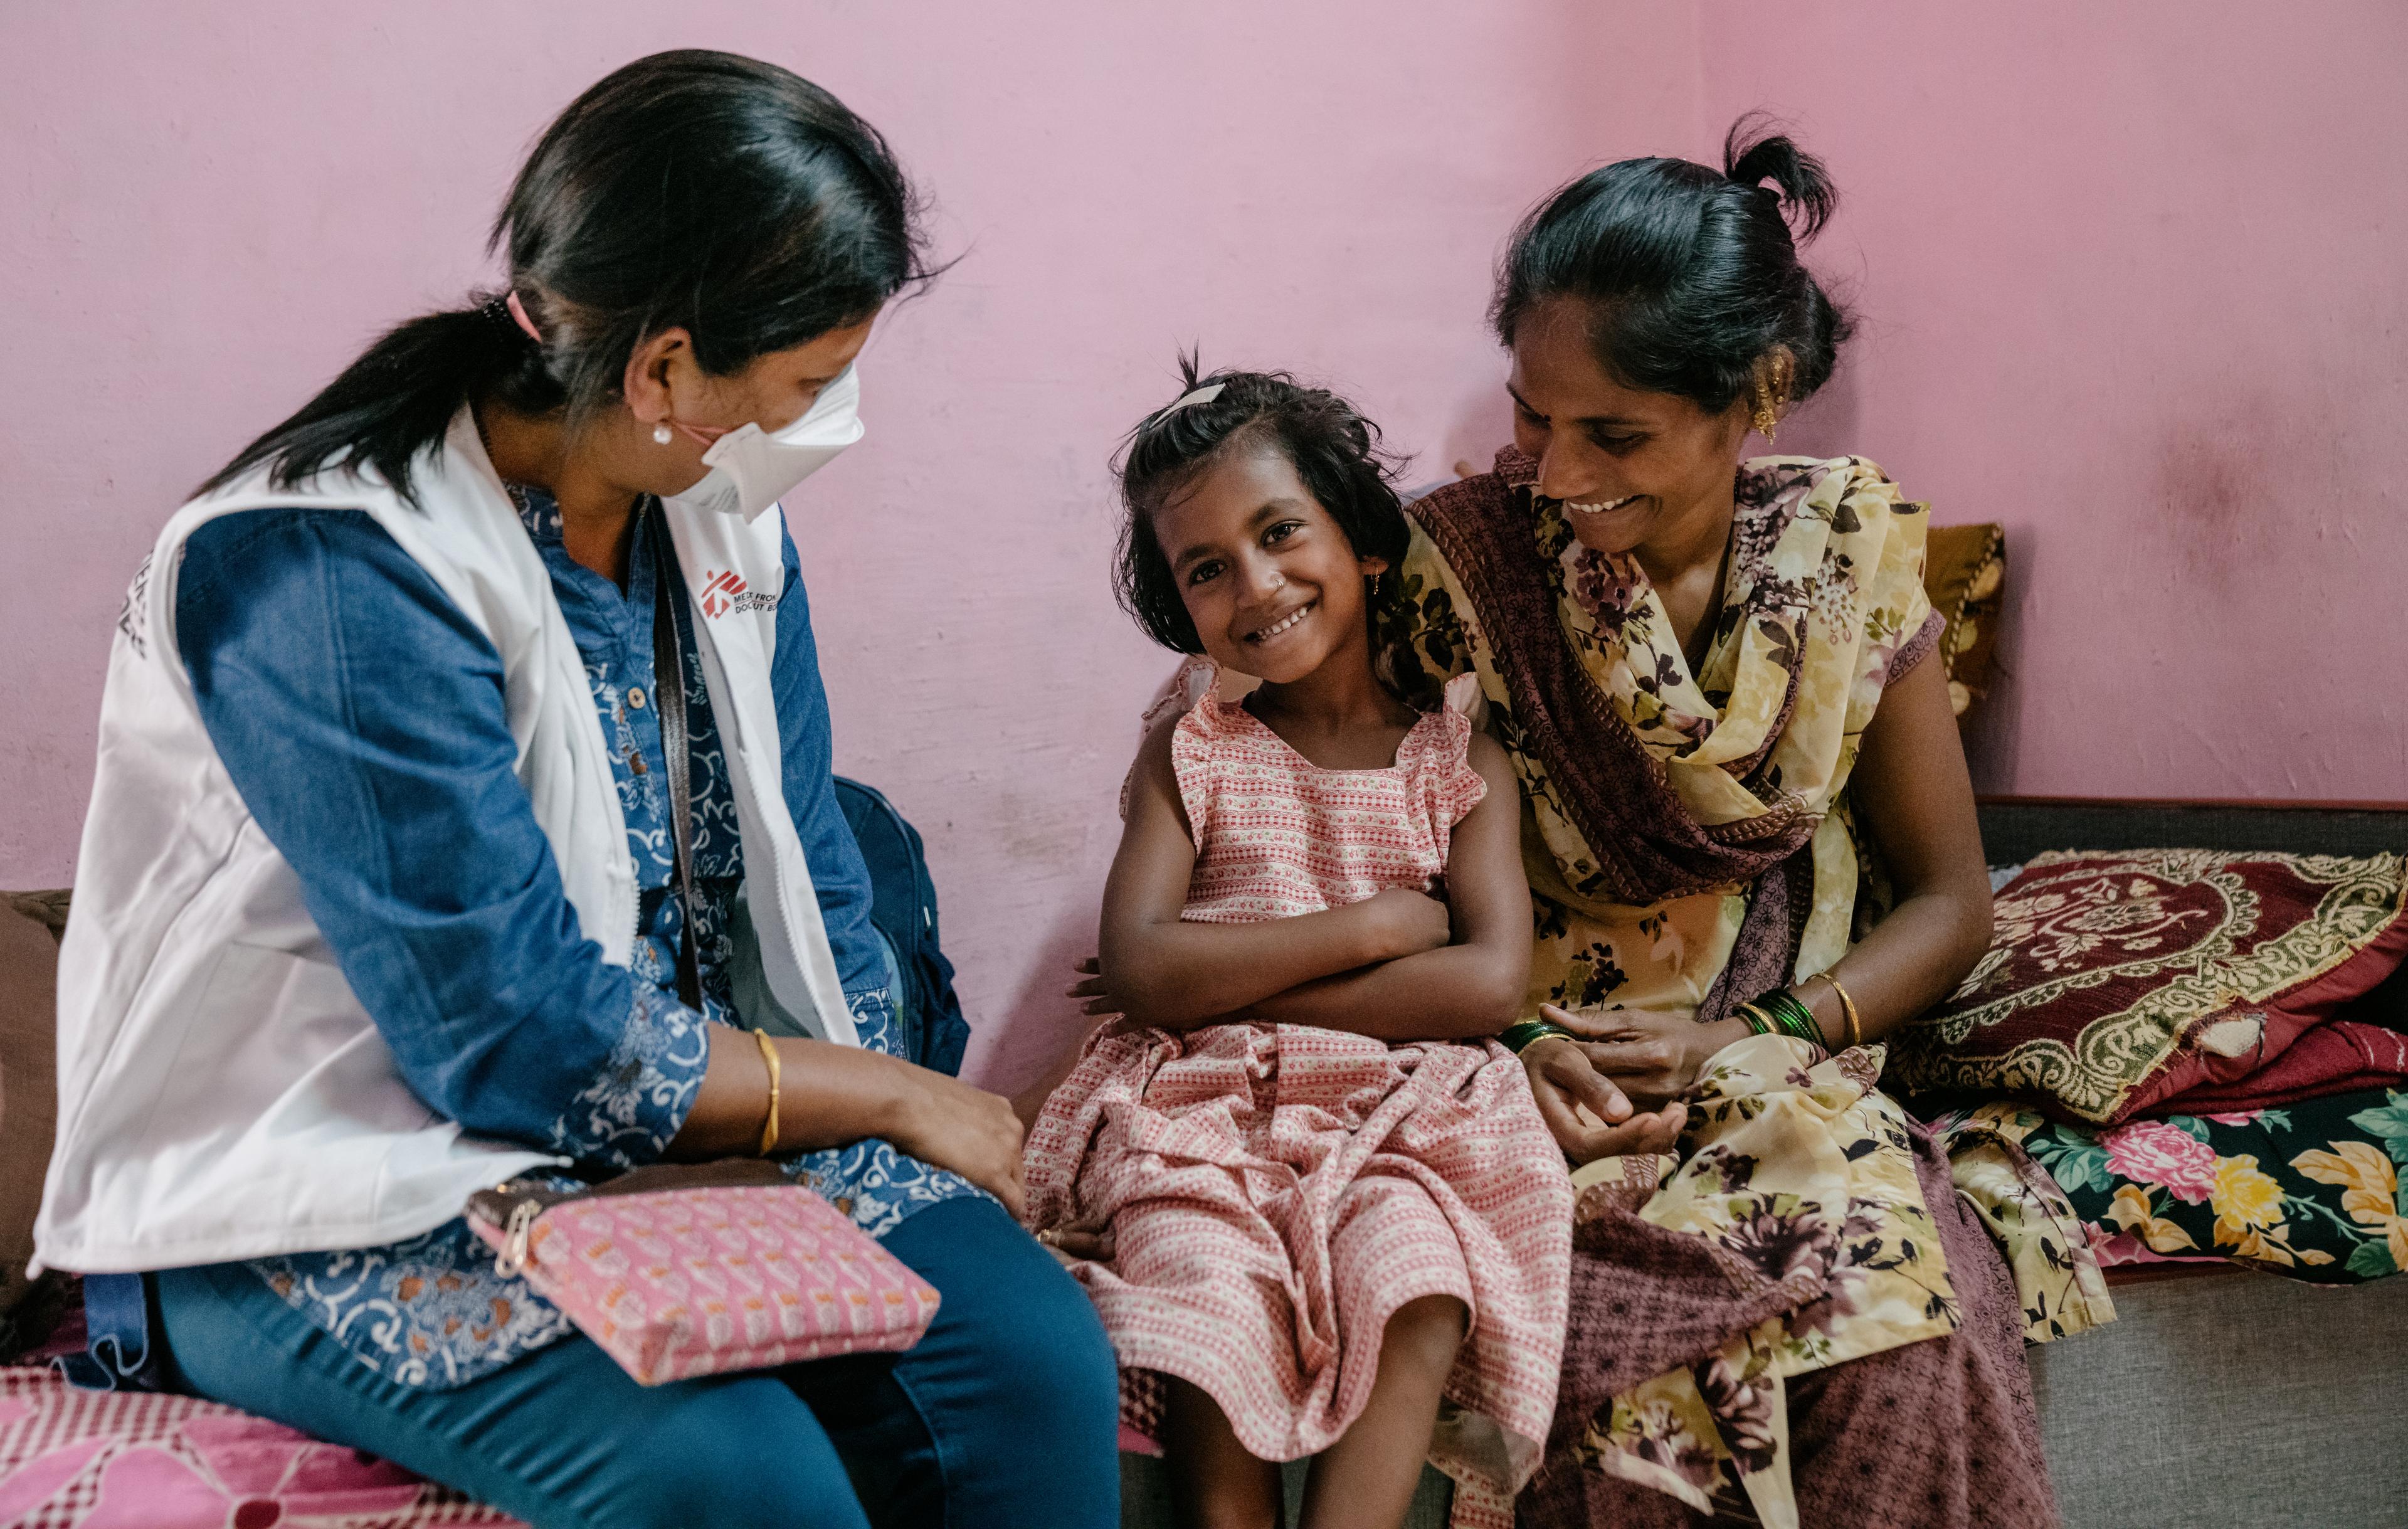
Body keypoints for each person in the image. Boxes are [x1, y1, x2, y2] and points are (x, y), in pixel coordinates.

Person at [34, 51, 1118, 1529]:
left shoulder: (719, 526)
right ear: (665, 367)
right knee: (739, 1480)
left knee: (1035, 1366)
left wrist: (874, 1121)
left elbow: (810, 860)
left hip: (681, 1130)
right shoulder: (325, 568)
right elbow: (513, 1033)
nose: (833, 419)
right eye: (812, 383)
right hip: (331, 1177)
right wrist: (897, 1095)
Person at [1381, 119, 2108, 1527]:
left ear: (1757, 396)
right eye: (1533, 413)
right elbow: (1364, 882)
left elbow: (1951, 905)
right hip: (1509, 1073)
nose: (1550, 468)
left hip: (1768, 1065)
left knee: (1905, 1324)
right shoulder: (1455, 572)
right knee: (1638, 1373)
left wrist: (1759, 1039)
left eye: (1615, 433)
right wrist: (1519, 1054)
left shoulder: (1843, 570)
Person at [1022, 368, 1573, 1529]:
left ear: (1366, 546)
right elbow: (1145, 972)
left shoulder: (1458, 761)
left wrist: (1238, 979)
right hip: (1200, 1111)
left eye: (1281, 534)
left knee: (1419, 1273)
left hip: (1402, 1114)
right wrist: (1373, 930)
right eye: (1207, 567)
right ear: (1182, 604)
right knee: (1202, 1282)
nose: (1255, 584)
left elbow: (1486, 981)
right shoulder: (1194, 748)